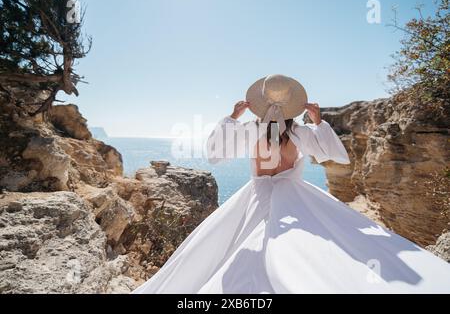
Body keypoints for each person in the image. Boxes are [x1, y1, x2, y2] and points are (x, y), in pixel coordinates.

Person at [133, 75, 450, 293]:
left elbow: (216, 153)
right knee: (322, 249)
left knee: (221, 253)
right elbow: (335, 156)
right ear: (292, 105)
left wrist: (231, 117)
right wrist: (318, 121)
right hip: (297, 196)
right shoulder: (299, 133)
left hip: (255, 195)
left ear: (259, 103)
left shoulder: (252, 131)